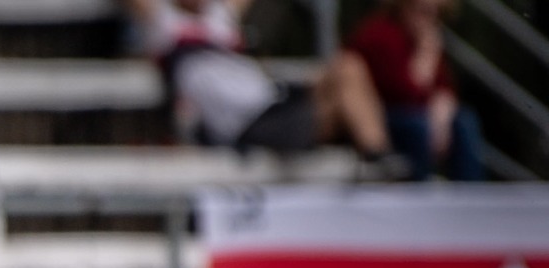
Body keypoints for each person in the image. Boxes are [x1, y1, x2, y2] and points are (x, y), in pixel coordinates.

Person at [128, 0, 394, 165]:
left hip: (272, 99)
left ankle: (377, 154)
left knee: (348, 67)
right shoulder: (162, 21)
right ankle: (380, 164)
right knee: (347, 90)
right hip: (247, 123)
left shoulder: (220, 15)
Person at [348, 0, 484, 181]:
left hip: (416, 114)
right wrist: (425, 56)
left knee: (463, 121)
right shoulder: (381, 35)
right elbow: (404, 94)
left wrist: (442, 116)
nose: (430, 20)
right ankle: (419, 191)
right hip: (383, 115)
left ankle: (470, 194)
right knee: (418, 126)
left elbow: (444, 87)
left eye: (436, 14)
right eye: (424, 12)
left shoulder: (418, 39)